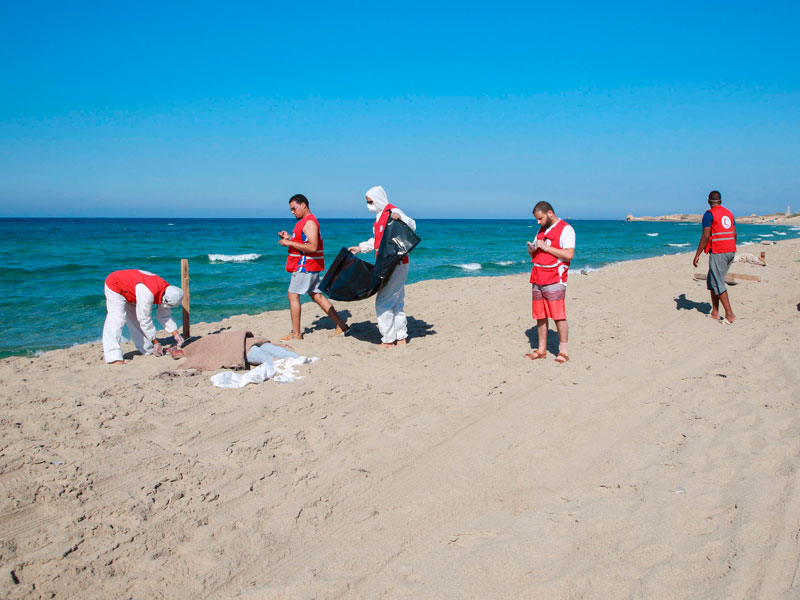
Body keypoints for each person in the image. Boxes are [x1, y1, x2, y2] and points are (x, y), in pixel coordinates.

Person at [348, 186, 416, 347]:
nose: (368, 205)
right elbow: (377, 241)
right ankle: (401, 337)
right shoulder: (379, 217)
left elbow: (412, 225)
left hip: (395, 264)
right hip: (388, 263)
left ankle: (388, 339)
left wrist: (400, 218)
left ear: (377, 199)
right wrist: (360, 248)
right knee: (396, 301)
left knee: (383, 302)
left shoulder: (392, 210)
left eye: (370, 202)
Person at [278, 194, 348, 340]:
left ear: (303, 205)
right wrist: (289, 238)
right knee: (316, 295)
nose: (292, 212)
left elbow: (313, 246)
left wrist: (289, 243)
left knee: (293, 295)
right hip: (311, 265)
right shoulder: (306, 222)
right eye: (291, 209)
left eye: (294, 208)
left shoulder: (309, 222)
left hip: (305, 265)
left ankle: (296, 334)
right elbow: (304, 242)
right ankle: (341, 325)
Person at [525, 201, 575, 363]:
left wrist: (546, 248)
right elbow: (536, 255)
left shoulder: (566, 229)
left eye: (540, 218)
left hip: (555, 278)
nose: (538, 222)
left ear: (550, 213)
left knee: (558, 316)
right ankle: (541, 350)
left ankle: (564, 351)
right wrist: (532, 250)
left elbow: (569, 255)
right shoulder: (541, 230)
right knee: (540, 316)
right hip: (538, 276)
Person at [103, 269, 184, 364]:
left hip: (132, 290)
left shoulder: (168, 291)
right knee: (117, 318)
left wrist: (175, 333)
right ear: (165, 300)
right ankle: (113, 357)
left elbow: (164, 314)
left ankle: (147, 350)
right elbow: (144, 319)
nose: (169, 307)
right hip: (116, 285)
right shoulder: (148, 293)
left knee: (134, 320)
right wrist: (155, 341)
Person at [693, 190, 737, 324]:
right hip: (730, 249)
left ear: (708, 201)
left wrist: (697, 254)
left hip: (719, 251)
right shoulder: (729, 213)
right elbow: (734, 234)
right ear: (721, 201)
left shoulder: (709, 215)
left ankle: (729, 314)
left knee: (717, 282)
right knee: (712, 280)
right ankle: (715, 312)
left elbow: (706, 236)